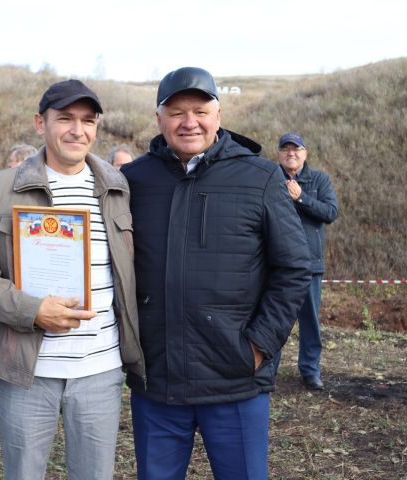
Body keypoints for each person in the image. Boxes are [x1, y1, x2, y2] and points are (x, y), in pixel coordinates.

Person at [121, 67, 311, 480]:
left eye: (200, 110)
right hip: (158, 382)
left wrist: (259, 345)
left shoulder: (260, 176)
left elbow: (294, 267)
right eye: (176, 112)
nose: (189, 122)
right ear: (159, 120)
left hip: (235, 381)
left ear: (218, 115)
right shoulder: (133, 180)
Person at [0, 79, 144, 480]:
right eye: (66, 119)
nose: (78, 130)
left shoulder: (118, 187)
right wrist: (32, 310)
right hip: (27, 371)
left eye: (88, 121)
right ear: (41, 123)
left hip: (100, 368)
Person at [275, 132, 339, 390]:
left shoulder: (319, 179)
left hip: (309, 264)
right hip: (275, 264)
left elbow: (330, 212)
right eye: (286, 149)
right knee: (274, 319)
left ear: (305, 153)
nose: (291, 153)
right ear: (279, 153)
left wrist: (301, 197)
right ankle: (268, 371)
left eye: (296, 149)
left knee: (310, 321)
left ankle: (310, 371)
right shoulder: (269, 178)